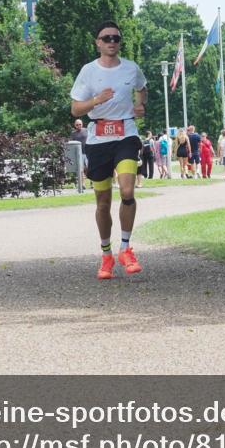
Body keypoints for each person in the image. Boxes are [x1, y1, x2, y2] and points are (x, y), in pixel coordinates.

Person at [70, 20, 147, 280]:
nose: (112, 42)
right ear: (98, 43)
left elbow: (142, 88)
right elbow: (76, 109)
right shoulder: (88, 71)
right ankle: (106, 255)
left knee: (127, 190)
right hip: (98, 138)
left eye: (116, 38)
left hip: (126, 133)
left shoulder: (131, 68)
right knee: (103, 203)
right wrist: (96, 100)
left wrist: (140, 106)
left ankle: (126, 248)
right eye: (106, 38)